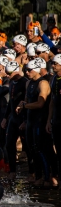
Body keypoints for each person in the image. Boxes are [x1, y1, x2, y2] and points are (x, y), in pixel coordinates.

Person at [18, 58, 54, 185]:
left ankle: (48, 177)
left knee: (41, 149)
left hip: (40, 120)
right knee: (31, 149)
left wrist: (25, 106)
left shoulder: (43, 83)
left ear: (37, 70)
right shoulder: (28, 83)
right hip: (30, 121)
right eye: (26, 70)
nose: (27, 72)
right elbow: (26, 101)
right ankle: (38, 176)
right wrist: (24, 119)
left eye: (29, 70)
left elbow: (40, 103)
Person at [1, 61, 28, 179]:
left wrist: (25, 120)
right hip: (13, 118)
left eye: (9, 73)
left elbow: (27, 103)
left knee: (28, 147)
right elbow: (10, 103)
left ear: (17, 71)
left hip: (23, 118)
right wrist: (5, 118)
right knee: (9, 144)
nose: (7, 75)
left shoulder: (25, 82)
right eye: (6, 72)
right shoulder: (12, 82)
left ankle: (32, 173)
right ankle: (12, 171)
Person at [46, 53, 61, 187]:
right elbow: (52, 100)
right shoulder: (54, 78)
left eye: (55, 64)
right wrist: (49, 120)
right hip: (56, 118)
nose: (52, 65)